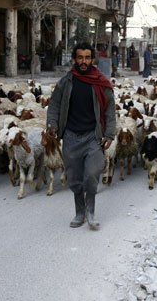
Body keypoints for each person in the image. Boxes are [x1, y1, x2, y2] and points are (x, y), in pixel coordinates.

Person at [46, 42, 116, 230]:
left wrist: (109, 133)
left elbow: (110, 109)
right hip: (70, 136)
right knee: (75, 178)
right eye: (80, 58)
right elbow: (54, 105)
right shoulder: (66, 82)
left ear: (92, 59)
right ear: (75, 59)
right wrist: (52, 124)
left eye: (87, 58)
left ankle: (91, 212)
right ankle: (79, 212)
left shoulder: (100, 82)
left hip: (93, 136)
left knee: (92, 174)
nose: (83, 61)